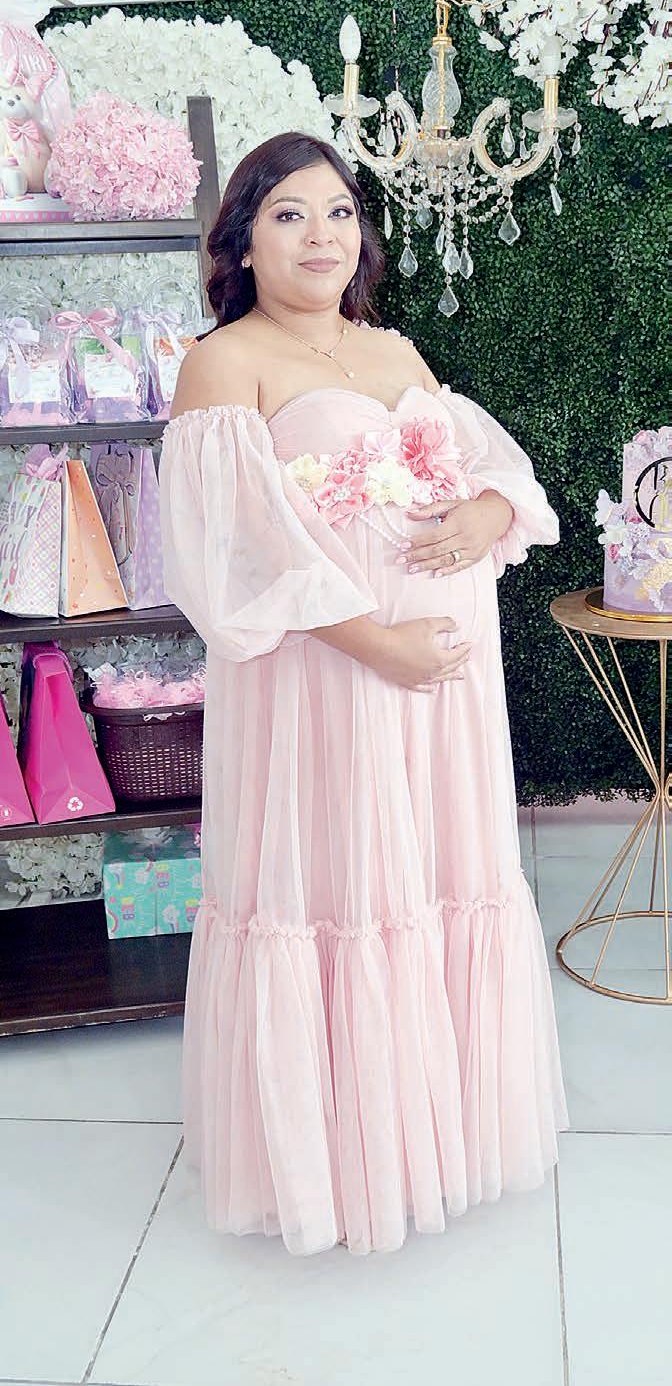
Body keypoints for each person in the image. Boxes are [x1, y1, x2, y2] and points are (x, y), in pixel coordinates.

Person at [159, 130, 569, 1258]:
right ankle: (333, 1166)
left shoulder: (393, 350)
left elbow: (494, 469)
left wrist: (487, 512)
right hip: (324, 685)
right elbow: (234, 553)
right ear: (243, 241)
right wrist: (376, 643)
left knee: (432, 877)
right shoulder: (225, 363)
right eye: (289, 214)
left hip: (441, 693)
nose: (321, 236)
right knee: (339, 882)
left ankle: (437, 1135)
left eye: (338, 212)